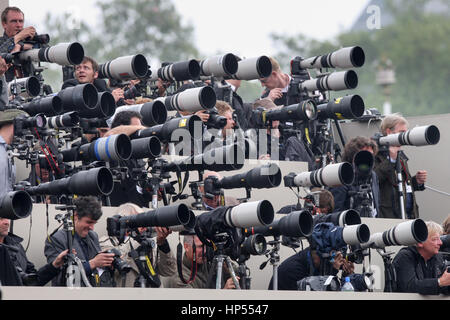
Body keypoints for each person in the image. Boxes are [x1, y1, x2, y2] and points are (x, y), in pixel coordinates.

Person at [99, 203, 176, 287]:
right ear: (124, 221)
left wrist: (162, 243)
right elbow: (120, 258)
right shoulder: (106, 243)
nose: (144, 226)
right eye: (138, 220)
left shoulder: (149, 243)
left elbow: (169, 271)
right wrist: (136, 239)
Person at [44, 196, 116, 287]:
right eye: (89, 222)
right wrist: (92, 263)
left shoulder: (93, 236)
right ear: (76, 216)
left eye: (94, 223)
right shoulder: (56, 239)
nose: (92, 228)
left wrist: (108, 264)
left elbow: (97, 270)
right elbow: (60, 276)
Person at [373, 113, 427, 219]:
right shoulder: (375, 154)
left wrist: (416, 181)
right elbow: (374, 179)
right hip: (389, 217)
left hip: (409, 216)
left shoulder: (400, 155)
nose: (404, 136)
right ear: (389, 132)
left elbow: (401, 184)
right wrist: (391, 160)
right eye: (401, 132)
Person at [0, 216, 70, 286]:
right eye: (1, 218)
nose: (7, 222)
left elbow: (33, 281)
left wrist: (55, 265)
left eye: (7, 217)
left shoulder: (17, 246)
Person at [268, 236, 354, 290]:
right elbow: (318, 294)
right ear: (316, 253)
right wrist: (333, 271)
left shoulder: (313, 263)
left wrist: (347, 277)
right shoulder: (293, 269)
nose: (330, 261)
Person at [392, 220, 450, 295]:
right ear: (420, 242)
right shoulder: (405, 257)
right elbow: (409, 287)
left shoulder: (437, 257)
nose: (440, 243)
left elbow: (443, 288)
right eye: (435, 239)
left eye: (439, 238)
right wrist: (440, 282)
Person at [329, 136, 380, 218]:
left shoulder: (373, 176)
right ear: (353, 156)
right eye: (364, 155)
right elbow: (335, 212)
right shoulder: (341, 176)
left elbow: (376, 206)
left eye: (371, 155)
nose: (367, 159)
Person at [166, 233, 239, 289]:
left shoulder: (210, 264)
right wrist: (223, 293)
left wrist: (227, 270)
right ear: (186, 247)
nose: (205, 251)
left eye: (206, 246)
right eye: (200, 247)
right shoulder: (179, 277)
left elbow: (237, 272)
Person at [61, 56, 128, 105]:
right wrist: (110, 99)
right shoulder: (69, 85)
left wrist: (125, 99)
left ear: (95, 74)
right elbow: (86, 103)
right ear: (75, 73)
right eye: (78, 68)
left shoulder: (101, 84)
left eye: (86, 68)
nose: (81, 71)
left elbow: (115, 100)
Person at [0, 7, 36, 82]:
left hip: (31, 88)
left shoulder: (27, 41)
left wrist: (32, 43)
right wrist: (18, 38)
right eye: (14, 21)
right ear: (4, 24)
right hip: (7, 90)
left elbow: (47, 53)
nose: (18, 25)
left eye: (21, 21)